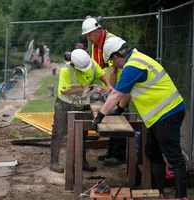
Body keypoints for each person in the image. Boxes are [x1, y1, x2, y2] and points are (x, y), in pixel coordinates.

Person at [92, 36, 187, 198]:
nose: (113, 65)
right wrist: (119, 110)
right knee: (152, 151)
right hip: (160, 116)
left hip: (167, 113)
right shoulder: (137, 59)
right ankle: (158, 192)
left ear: (116, 57)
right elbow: (129, 90)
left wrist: (100, 116)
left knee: (174, 156)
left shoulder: (132, 66)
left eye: (111, 62)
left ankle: (181, 196)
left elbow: (116, 94)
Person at [50, 49, 113, 173]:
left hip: (83, 102)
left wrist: (109, 85)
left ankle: (82, 161)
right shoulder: (66, 70)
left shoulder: (91, 64)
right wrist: (83, 89)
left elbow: (101, 75)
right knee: (59, 132)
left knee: (83, 132)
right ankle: (54, 162)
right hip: (65, 103)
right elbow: (64, 91)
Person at [81, 17, 128, 166]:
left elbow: (113, 70)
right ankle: (111, 151)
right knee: (111, 117)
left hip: (120, 86)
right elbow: (99, 69)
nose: (88, 38)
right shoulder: (96, 44)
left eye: (89, 35)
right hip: (112, 87)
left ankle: (119, 155)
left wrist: (110, 94)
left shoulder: (110, 43)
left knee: (118, 118)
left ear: (97, 31)